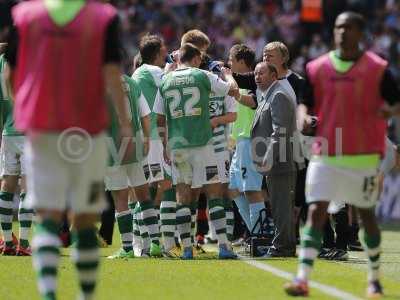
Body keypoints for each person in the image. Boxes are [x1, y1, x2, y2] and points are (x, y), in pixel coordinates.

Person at [5, 0, 133, 299]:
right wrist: (124, 122)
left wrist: (23, 109)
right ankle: (85, 295)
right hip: (86, 132)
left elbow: (10, 72)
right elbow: (112, 73)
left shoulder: (25, 15)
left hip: (42, 130)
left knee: (48, 216)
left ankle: (49, 294)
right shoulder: (103, 17)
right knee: (86, 216)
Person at [284, 11, 400, 298]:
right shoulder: (317, 67)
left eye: (349, 27)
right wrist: (302, 117)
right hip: (325, 154)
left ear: (361, 33)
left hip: (363, 156)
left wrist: (386, 111)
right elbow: (305, 101)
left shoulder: (378, 68)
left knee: (366, 216)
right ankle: (302, 278)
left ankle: (374, 279)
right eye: (338, 27)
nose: (342, 32)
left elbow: (396, 102)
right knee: (315, 211)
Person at [154, 43, 238, 259]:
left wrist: (165, 145)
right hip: (204, 143)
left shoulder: (165, 80)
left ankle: (188, 249)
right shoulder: (202, 75)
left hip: (178, 145)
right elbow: (233, 90)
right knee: (214, 192)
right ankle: (223, 247)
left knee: (183, 195)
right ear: (196, 58)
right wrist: (228, 76)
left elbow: (160, 119)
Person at [132, 34, 180, 257]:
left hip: (146, 136)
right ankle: (165, 244)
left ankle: (143, 244)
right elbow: (173, 82)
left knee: (148, 188)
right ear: (157, 52)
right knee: (166, 184)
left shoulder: (140, 72)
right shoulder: (152, 71)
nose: (166, 53)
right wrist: (178, 63)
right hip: (153, 138)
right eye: (164, 50)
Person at [105, 74, 159, 259]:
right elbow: (145, 115)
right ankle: (156, 244)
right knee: (144, 196)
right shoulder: (131, 82)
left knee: (120, 199)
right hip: (135, 144)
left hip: (112, 146)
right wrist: (146, 138)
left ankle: (127, 248)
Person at [250, 62, 297, 257]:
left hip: (280, 162)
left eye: (261, 72)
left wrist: (269, 157)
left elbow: (280, 131)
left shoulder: (277, 95)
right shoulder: (266, 96)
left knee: (282, 208)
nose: (257, 76)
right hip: (274, 164)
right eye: (255, 73)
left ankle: (283, 247)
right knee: (278, 207)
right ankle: (281, 245)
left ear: (274, 75)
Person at [227, 44, 267, 237]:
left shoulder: (254, 82)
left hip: (251, 141)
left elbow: (252, 102)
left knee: (251, 189)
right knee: (233, 189)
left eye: (231, 60)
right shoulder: (240, 84)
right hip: (239, 142)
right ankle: (256, 232)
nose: (228, 63)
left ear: (242, 63)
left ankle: (260, 236)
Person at [0, 49, 34, 256]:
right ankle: (23, 242)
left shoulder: (2, 62)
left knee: (7, 184)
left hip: (9, 132)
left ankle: (7, 241)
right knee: (27, 186)